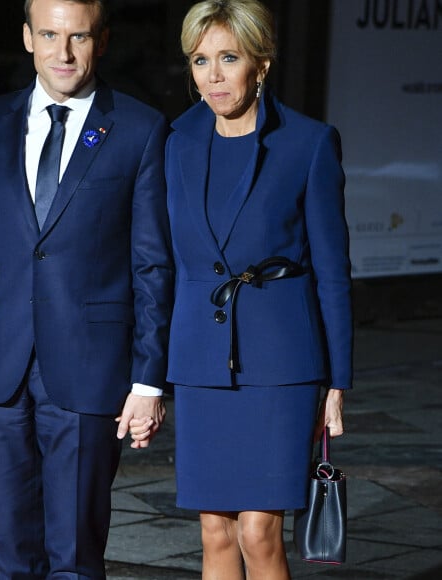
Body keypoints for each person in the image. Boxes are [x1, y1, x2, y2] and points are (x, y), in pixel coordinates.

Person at [0, 0, 174, 577]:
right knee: (11, 554)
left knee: (75, 555)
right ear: (26, 37)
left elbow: (152, 265)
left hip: (91, 367)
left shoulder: (140, 129)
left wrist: (148, 380)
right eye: (49, 34)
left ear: (103, 40)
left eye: (79, 37)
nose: (63, 53)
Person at [163, 1, 353, 578]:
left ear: (261, 65)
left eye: (229, 58)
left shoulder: (308, 143)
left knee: (258, 531)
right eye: (200, 60)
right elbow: (163, 263)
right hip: (200, 363)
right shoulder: (173, 142)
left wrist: (337, 381)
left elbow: (333, 271)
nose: (213, 76)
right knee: (215, 530)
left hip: (280, 365)